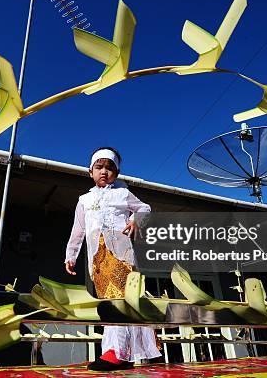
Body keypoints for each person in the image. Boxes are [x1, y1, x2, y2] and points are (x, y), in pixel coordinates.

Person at [65, 147, 161, 371]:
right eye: (99, 167)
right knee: (109, 303)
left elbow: (144, 207)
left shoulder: (122, 193)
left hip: (120, 254)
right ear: (90, 172)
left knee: (121, 299)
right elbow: (78, 230)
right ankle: (118, 351)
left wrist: (136, 219)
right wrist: (71, 255)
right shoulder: (84, 200)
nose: (104, 172)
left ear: (116, 173)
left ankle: (117, 353)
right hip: (97, 259)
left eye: (110, 168)